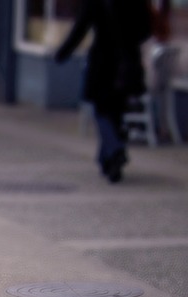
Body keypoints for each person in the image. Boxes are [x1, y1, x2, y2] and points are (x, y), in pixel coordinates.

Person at [54, 0, 154, 183]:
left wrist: (62, 53)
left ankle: (115, 149)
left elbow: (81, 27)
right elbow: (145, 30)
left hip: (104, 62)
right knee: (115, 110)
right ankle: (108, 161)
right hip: (127, 61)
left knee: (102, 111)